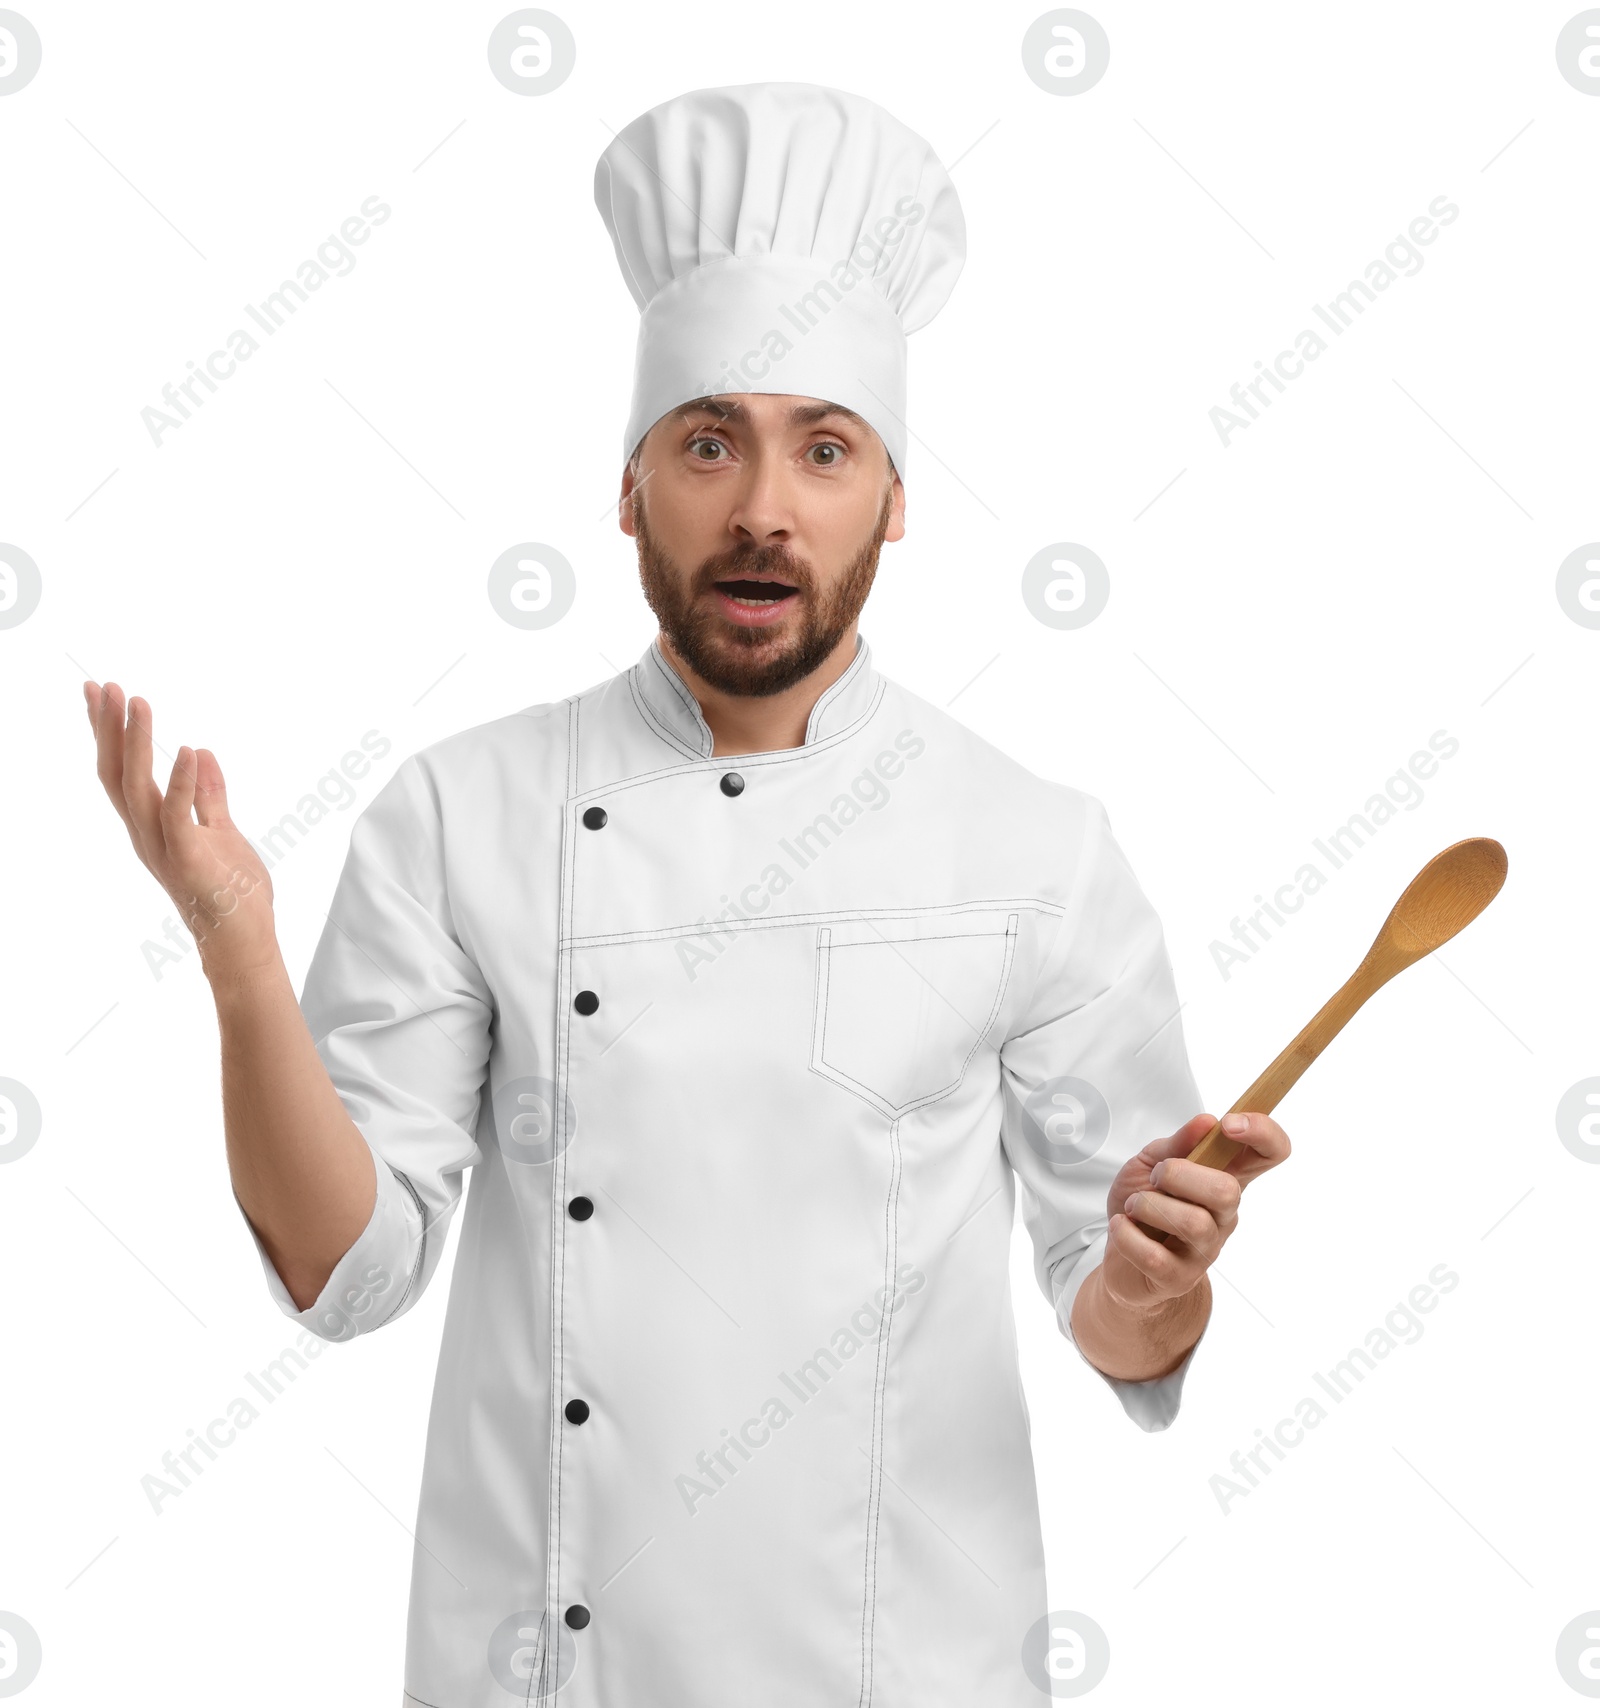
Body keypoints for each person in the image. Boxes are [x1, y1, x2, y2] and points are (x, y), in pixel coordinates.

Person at [84, 82, 1289, 1708]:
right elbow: (353, 1275)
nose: (765, 509)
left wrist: (1155, 1280)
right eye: (709, 443)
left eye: (828, 448)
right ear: (632, 487)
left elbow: (1122, 1321)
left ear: (900, 501)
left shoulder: (1035, 848)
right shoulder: (463, 813)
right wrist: (235, 952)